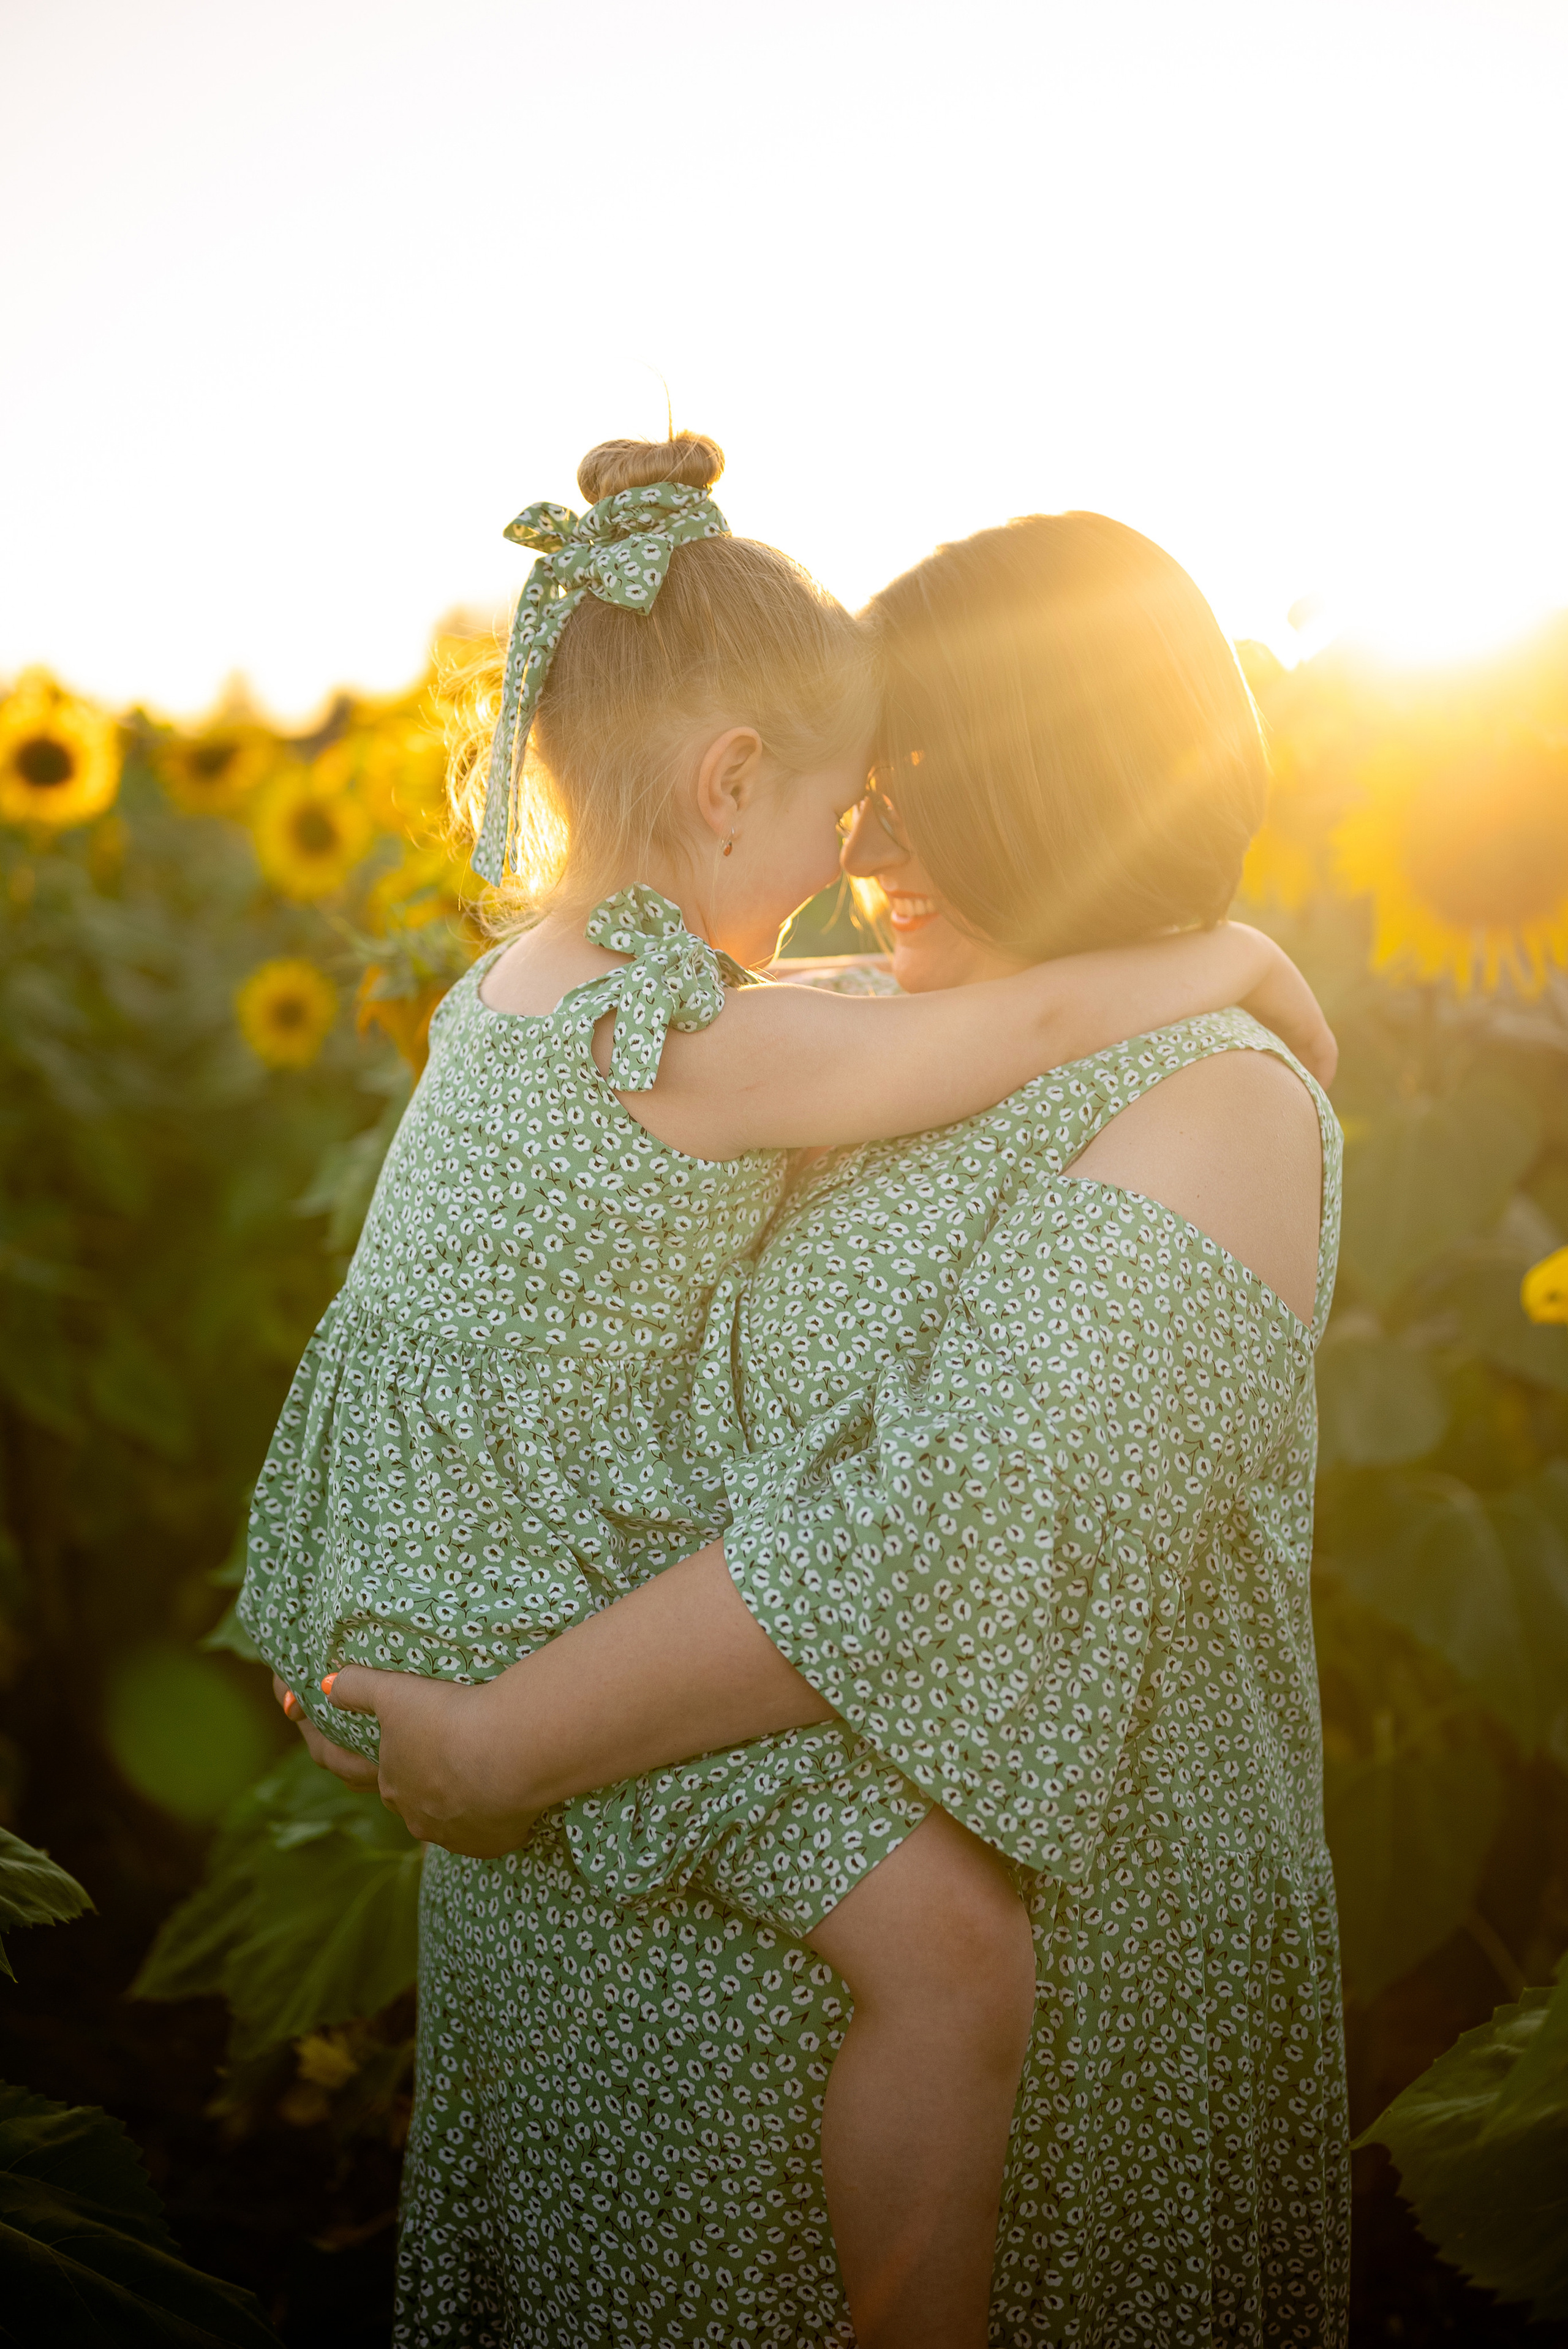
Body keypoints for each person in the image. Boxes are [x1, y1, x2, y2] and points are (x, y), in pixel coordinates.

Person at [246, 441, 1334, 2349]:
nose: (866, 864)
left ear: (1057, 801)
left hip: (942, 2148)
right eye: (861, 804)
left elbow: (926, 1537)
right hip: (611, 2104)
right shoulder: (839, 1014)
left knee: (950, 1976)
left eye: (918, 808)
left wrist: (503, 1749)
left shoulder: (1212, 1101)